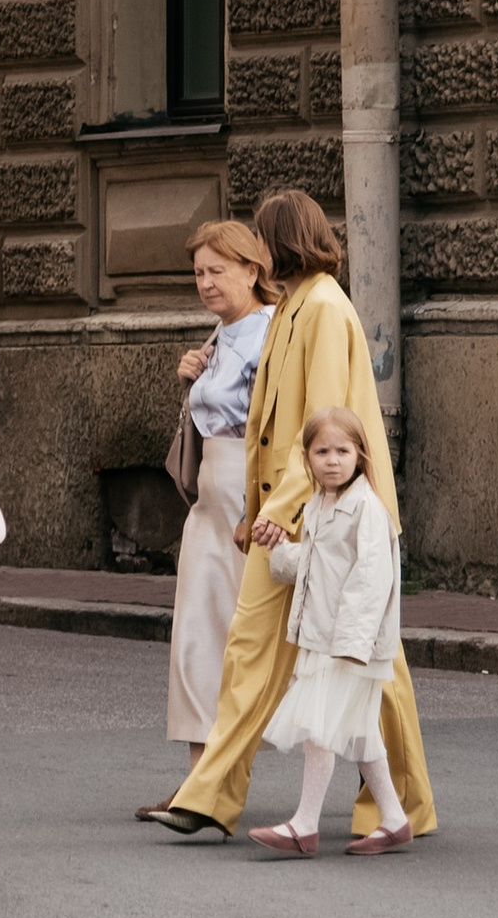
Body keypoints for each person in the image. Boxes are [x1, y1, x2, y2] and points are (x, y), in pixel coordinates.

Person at [151, 190, 436, 845]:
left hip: (330, 517)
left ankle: (404, 805)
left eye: (261, 237)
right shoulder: (296, 310)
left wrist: (276, 512)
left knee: (372, 667)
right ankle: (211, 796)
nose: (256, 248)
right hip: (298, 511)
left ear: (281, 242)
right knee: (254, 648)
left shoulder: (324, 311)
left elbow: (326, 426)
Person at [142, 216, 274, 806]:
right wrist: (190, 377)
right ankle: (200, 781)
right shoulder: (220, 335)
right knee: (196, 633)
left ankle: (370, 772)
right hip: (210, 500)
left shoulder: (272, 331)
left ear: (253, 269)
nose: (206, 282)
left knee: (272, 642)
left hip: (252, 495)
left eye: (218, 270)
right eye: (198, 272)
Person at [249, 407, 414, 859]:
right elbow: (316, 563)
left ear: (360, 455)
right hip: (325, 638)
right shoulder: (321, 505)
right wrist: (277, 553)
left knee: (318, 726)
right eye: (321, 451)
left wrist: (351, 645)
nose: (332, 460)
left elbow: (371, 578)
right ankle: (396, 820)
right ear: (307, 459)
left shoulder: (367, 508)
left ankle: (305, 825)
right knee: (361, 733)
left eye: (342, 451)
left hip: (348, 645)